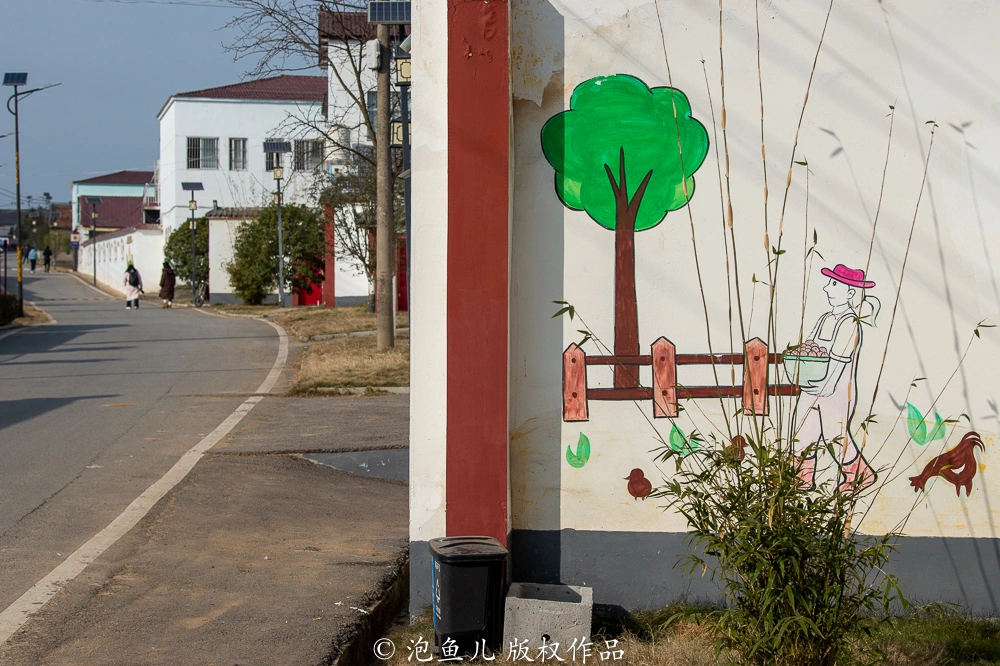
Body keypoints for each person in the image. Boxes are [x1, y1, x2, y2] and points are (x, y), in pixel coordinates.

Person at [792, 264, 881, 491]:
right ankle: (801, 477)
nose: (827, 288)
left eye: (834, 284)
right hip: (812, 385)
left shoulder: (849, 323)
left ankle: (860, 475)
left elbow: (839, 361)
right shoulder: (824, 318)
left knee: (836, 433)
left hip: (837, 389)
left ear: (850, 292)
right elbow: (810, 347)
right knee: (802, 430)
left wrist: (824, 387)